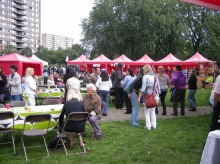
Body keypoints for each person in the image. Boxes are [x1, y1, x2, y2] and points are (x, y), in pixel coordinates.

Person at [138, 65, 160, 130]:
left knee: (147, 111)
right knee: (153, 111)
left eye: (143, 70)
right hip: (155, 95)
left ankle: (148, 126)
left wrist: (139, 97)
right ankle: (154, 125)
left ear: (146, 70)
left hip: (148, 95)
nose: (143, 71)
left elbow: (143, 88)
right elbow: (158, 88)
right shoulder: (155, 76)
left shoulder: (145, 76)